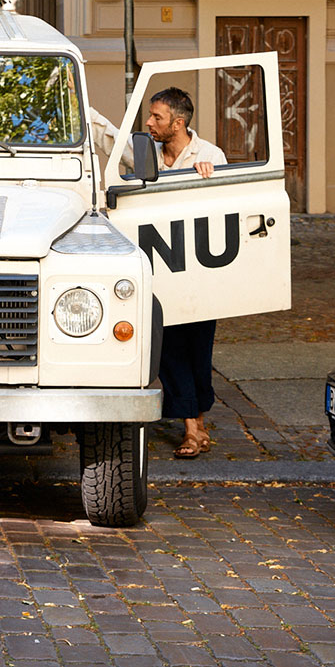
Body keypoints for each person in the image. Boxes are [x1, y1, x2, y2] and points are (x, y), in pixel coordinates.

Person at [146, 86, 227, 460]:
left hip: (198, 270)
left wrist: (208, 181)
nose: (150, 123)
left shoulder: (210, 155)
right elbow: (107, 137)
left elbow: (228, 208)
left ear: (177, 123)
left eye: (157, 117)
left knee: (198, 347)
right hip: (159, 265)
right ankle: (193, 428)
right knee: (167, 347)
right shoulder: (147, 153)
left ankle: (197, 420)